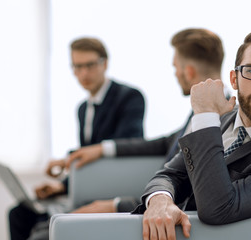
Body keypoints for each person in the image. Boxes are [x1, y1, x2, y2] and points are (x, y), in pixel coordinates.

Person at [134, 27, 251, 240]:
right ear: (234, 79)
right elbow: (170, 174)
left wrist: (205, 115)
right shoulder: (222, 120)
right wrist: (160, 200)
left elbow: (218, 207)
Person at [61, 28, 230, 214]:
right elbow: (164, 143)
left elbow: (186, 193)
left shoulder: (218, 124)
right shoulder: (200, 115)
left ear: (188, 72)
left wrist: (115, 205)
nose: (174, 74)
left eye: (175, 67)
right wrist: (102, 149)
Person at [8, 37, 146, 240]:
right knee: (19, 213)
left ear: (104, 63)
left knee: (41, 230)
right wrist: (62, 185)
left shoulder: (129, 97)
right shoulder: (83, 109)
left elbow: (125, 144)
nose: (83, 73)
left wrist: (66, 161)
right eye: (77, 67)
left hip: (109, 190)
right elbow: (87, 155)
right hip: (85, 188)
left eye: (89, 65)